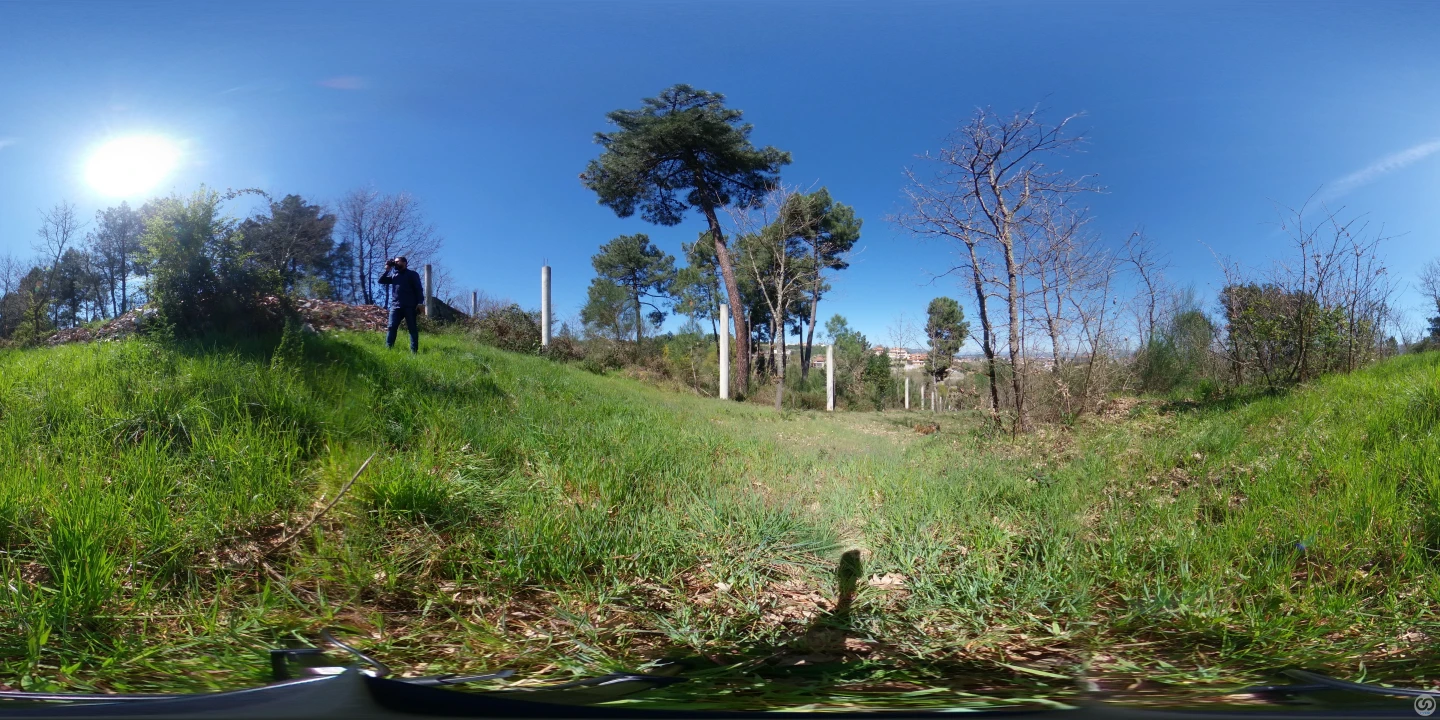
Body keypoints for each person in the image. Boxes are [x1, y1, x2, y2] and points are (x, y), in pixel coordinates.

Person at [378, 256, 425, 353]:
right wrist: (387, 270)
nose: (395, 263)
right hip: (396, 306)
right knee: (391, 327)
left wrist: (420, 302)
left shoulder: (412, 274)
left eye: (397, 261)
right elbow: (381, 281)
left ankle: (414, 352)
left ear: (404, 263)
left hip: (410, 306)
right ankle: (388, 350)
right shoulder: (395, 276)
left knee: (412, 328)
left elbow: (418, 288)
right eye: (394, 262)